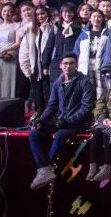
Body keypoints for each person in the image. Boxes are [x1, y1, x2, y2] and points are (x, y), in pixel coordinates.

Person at [28, 53, 95, 190]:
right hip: (62, 121)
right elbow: (52, 105)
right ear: (60, 66)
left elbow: (86, 108)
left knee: (60, 135)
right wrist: (41, 120)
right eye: (65, 63)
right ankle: (44, 169)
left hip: (79, 123)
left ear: (76, 65)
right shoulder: (58, 83)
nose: (68, 66)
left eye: (71, 63)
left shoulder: (84, 82)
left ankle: (47, 169)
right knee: (34, 133)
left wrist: (68, 120)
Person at [19, 5, 56, 116]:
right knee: (38, 96)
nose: (40, 16)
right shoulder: (31, 30)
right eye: (38, 14)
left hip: (49, 68)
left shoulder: (53, 28)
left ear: (48, 14)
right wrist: (27, 69)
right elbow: (24, 50)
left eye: (42, 13)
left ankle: (50, 117)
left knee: (49, 95)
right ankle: (39, 116)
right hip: (35, 68)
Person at [75, 9, 110, 98]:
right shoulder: (84, 34)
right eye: (94, 16)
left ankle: (99, 105)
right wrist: (75, 64)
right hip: (86, 65)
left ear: (103, 18)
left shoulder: (108, 33)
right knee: (87, 88)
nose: (96, 19)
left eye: (99, 16)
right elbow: (76, 50)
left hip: (101, 64)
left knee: (101, 89)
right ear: (90, 18)